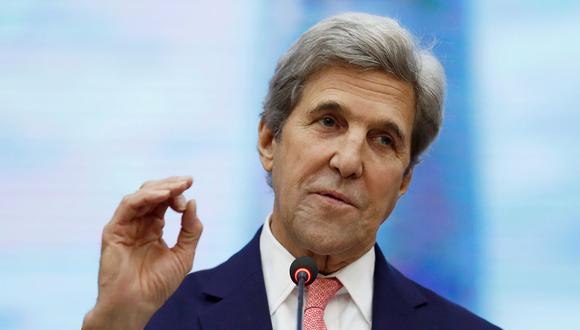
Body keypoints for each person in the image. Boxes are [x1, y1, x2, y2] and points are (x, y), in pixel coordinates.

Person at [82, 13, 500, 330]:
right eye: (329, 122)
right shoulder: (164, 318)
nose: (349, 161)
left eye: (383, 141)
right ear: (268, 141)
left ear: (404, 181)